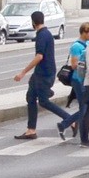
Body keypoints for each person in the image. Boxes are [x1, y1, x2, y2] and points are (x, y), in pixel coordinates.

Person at [12, 11, 75, 139]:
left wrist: (23, 72)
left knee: (44, 102)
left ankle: (70, 119)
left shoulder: (41, 36)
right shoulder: (46, 33)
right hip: (41, 73)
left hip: (44, 73)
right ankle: (31, 130)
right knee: (30, 97)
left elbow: (39, 56)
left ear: (33, 22)